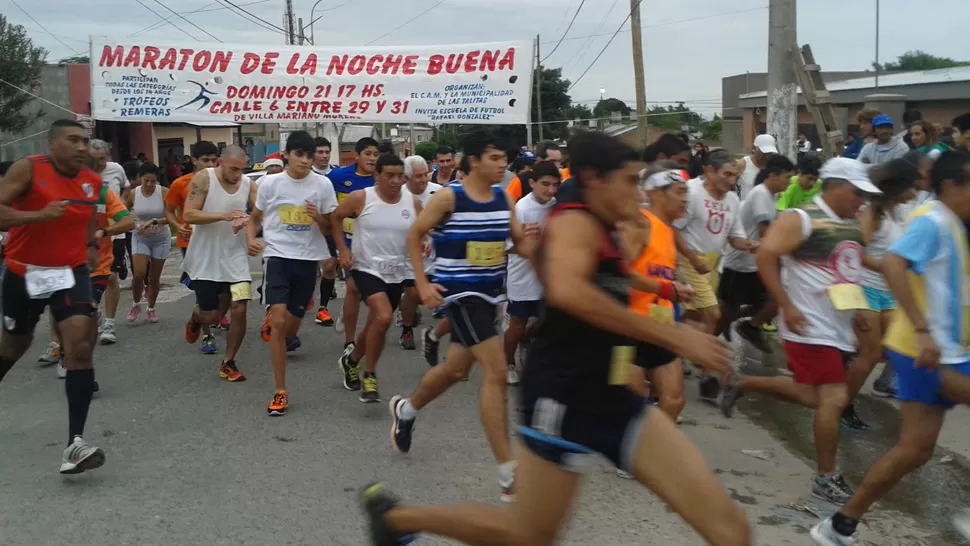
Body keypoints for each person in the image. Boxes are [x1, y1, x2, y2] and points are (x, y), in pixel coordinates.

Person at [360, 131, 748, 546]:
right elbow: (567, 290)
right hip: (560, 396)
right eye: (630, 181)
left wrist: (666, 291)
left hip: (612, 394)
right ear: (595, 178)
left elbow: (596, 274)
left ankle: (409, 422)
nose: (638, 194)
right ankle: (403, 516)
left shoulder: (604, 223)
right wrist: (675, 338)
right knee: (528, 531)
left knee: (731, 532)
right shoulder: (572, 221)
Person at [811, 151, 970, 546]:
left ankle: (839, 526)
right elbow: (895, 263)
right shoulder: (932, 221)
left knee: (913, 451)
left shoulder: (951, 223)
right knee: (912, 448)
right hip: (931, 351)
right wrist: (922, 329)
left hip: (933, 349)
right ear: (952, 185)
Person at [720, 157, 882, 504]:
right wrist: (786, 305)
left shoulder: (850, 223)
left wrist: (855, 313)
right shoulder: (801, 218)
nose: (861, 200)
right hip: (808, 325)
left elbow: (842, 269)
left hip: (837, 325)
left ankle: (742, 383)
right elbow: (766, 255)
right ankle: (826, 477)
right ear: (836, 185)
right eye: (857, 192)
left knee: (814, 398)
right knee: (835, 399)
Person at [387, 133, 536, 501]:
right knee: (497, 372)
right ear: (473, 160)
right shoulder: (449, 197)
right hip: (459, 294)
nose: (503, 164)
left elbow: (517, 243)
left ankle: (406, 409)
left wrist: (535, 247)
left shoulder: (504, 199)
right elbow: (415, 235)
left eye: (505, 158)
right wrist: (422, 283)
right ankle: (507, 473)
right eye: (496, 157)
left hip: (490, 295)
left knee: (456, 371)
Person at [0, 119, 105, 474]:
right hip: (22, 271)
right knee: (13, 347)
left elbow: (89, 215)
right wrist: (38, 215)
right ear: (52, 144)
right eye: (73, 140)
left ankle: (75, 444)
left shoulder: (91, 180)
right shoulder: (28, 169)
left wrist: (90, 245)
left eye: (84, 141)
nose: (81, 147)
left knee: (79, 345)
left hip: (69, 271)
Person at [247, 131, 337, 416]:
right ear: (287, 155)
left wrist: (317, 217)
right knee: (278, 319)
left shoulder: (322, 186)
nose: (305, 161)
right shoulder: (270, 183)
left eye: (310, 156)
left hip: (307, 260)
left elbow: (328, 228)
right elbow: (255, 219)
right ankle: (280, 391)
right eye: (300, 154)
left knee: (291, 328)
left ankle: (284, 337)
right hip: (277, 257)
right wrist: (251, 238)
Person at [840, 158, 921, 431]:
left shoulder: (897, 212)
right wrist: (886, 267)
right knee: (870, 355)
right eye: (912, 186)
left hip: (888, 292)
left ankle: (842, 375)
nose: (916, 191)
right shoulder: (872, 212)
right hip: (867, 288)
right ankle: (841, 406)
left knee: (891, 351)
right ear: (897, 186)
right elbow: (855, 249)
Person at [333, 155, 419, 403]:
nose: (395, 181)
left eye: (399, 176)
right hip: (365, 267)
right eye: (389, 176)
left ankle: (351, 361)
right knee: (383, 317)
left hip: (397, 271)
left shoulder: (411, 202)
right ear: (376, 176)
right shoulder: (362, 197)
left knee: (377, 325)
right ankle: (370, 376)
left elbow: (422, 228)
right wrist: (343, 250)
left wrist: (424, 241)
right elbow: (336, 218)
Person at [622, 168, 693, 422]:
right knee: (629, 400)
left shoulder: (668, 230)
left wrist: (676, 285)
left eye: (687, 192)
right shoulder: (639, 224)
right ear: (657, 195)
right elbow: (621, 273)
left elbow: (657, 271)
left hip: (660, 322)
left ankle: (649, 453)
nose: (686, 199)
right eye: (679, 192)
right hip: (624, 326)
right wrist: (667, 288)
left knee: (674, 399)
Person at [181, 145, 257, 383]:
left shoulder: (249, 185)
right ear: (220, 162)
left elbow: (259, 216)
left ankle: (228, 361)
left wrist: (247, 221)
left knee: (240, 307)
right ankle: (195, 320)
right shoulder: (205, 178)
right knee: (211, 315)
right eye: (233, 169)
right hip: (206, 258)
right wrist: (223, 216)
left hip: (236, 260)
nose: (237, 175)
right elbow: (189, 214)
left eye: (241, 170)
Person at [674, 150, 757, 340]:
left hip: (712, 266)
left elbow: (735, 238)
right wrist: (693, 259)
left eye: (735, 176)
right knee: (713, 314)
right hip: (688, 261)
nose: (731, 181)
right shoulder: (690, 192)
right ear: (710, 171)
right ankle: (705, 365)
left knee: (693, 315)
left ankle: (676, 350)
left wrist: (751, 245)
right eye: (726, 174)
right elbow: (673, 229)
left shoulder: (733, 200)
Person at [719, 155, 796, 353]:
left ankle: (748, 326)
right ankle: (705, 344)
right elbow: (766, 233)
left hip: (753, 263)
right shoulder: (761, 193)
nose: (789, 182)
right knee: (732, 309)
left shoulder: (771, 195)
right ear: (773, 175)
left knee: (771, 301)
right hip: (740, 263)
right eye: (787, 178)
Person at [504, 162, 560, 386]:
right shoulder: (521, 209)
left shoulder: (556, 206)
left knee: (549, 319)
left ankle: (528, 342)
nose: (550, 190)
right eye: (545, 184)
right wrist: (527, 244)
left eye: (555, 185)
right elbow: (507, 247)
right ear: (532, 183)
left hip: (547, 278)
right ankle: (507, 362)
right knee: (517, 323)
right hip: (523, 277)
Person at [325, 138, 379, 359]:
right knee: (353, 287)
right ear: (356, 156)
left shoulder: (381, 179)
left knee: (368, 295)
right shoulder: (338, 177)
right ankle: (350, 341)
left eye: (375, 154)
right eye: (368, 153)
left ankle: (348, 313)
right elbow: (323, 198)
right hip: (347, 242)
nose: (372, 158)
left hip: (374, 243)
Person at [165, 141, 221, 354]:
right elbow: (169, 211)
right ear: (194, 161)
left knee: (223, 292)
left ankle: (208, 316)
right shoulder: (181, 184)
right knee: (202, 292)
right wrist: (178, 226)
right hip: (191, 244)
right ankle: (207, 334)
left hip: (218, 243)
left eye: (213, 160)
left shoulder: (224, 182)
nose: (209, 164)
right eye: (204, 160)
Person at [86, 140, 130, 346]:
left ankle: (109, 324)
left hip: (113, 234)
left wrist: (118, 208)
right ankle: (96, 312)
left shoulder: (116, 170)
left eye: (102, 159)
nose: (98, 164)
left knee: (111, 277)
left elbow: (126, 189)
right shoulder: (76, 178)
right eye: (93, 160)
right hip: (82, 246)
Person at [399, 156, 440, 351]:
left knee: (428, 296)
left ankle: (409, 309)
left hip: (434, 254)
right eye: (418, 176)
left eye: (425, 174)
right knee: (412, 292)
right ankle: (407, 329)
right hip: (408, 254)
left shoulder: (439, 192)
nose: (423, 179)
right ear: (407, 178)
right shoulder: (399, 195)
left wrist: (433, 238)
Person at [125, 162, 170, 324]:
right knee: (139, 274)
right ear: (140, 179)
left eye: (153, 181)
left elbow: (173, 217)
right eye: (146, 181)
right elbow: (124, 213)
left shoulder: (164, 192)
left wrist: (155, 221)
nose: (150, 185)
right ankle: (136, 304)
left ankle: (151, 308)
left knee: (154, 278)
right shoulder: (133, 194)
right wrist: (136, 225)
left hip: (161, 239)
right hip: (140, 237)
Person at [735, 134, 778, 201]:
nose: (766, 157)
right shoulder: (742, 164)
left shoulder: (772, 167)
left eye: (769, 153)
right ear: (754, 148)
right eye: (763, 153)